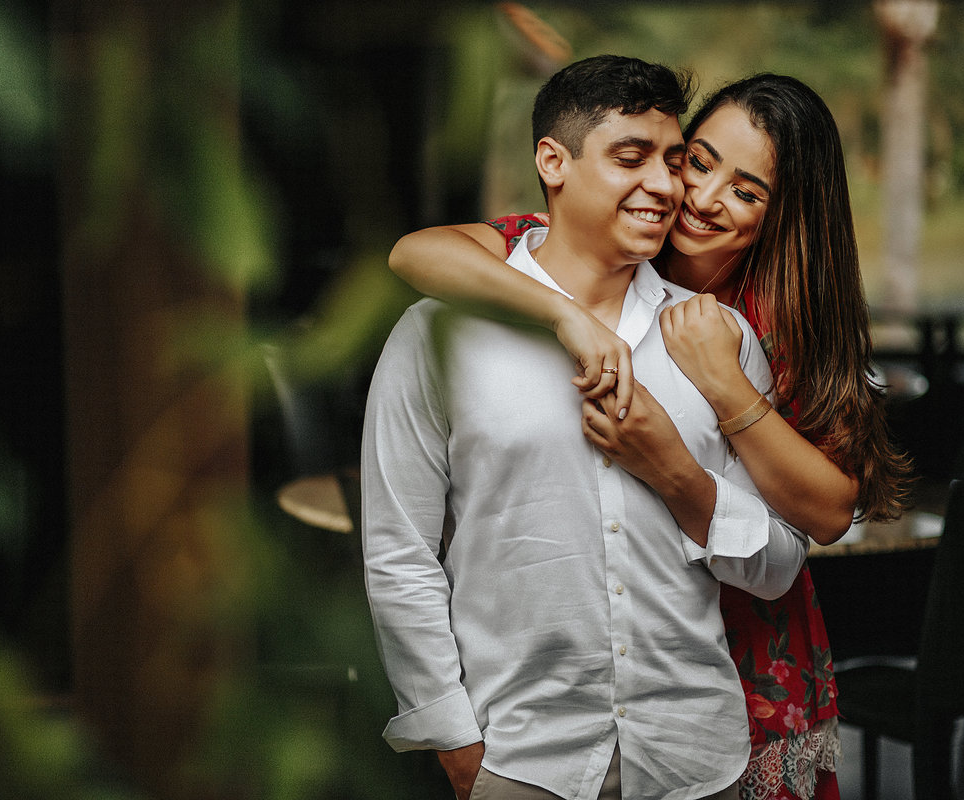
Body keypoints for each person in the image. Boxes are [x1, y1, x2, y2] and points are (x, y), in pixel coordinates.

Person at [387, 73, 912, 800]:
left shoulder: (780, 320)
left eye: (746, 191)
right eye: (697, 162)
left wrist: (722, 385)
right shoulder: (590, 238)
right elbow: (416, 255)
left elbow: (824, 515)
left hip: (739, 650)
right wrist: (568, 317)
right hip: (563, 691)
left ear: (781, 214)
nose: (700, 197)